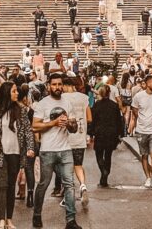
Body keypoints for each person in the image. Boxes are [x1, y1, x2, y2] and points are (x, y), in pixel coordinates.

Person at [32, 72, 82, 229]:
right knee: (43, 184)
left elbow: (74, 128)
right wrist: (53, 123)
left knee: (69, 184)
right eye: (54, 84)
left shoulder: (67, 103)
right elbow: (35, 126)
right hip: (47, 151)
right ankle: (37, 215)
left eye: (60, 84)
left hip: (65, 149)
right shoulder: (42, 104)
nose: (57, 87)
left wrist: (69, 124)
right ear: (49, 86)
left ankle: (71, 220)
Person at [0, 80, 36, 229]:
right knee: (2, 185)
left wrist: (30, 148)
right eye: (14, 91)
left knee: (11, 186)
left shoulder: (21, 109)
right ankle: (1, 220)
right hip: (0, 152)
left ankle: (10, 219)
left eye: (17, 91)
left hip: (15, 153)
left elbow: (28, 130)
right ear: (7, 92)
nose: (17, 93)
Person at [129, 72, 152, 188]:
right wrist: (142, 119)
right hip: (141, 130)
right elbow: (134, 109)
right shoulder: (138, 96)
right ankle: (148, 178)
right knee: (144, 155)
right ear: (147, 83)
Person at [64, 76, 92, 210]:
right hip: (80, 137)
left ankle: (67, 197)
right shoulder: (83, 98)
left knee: (67, 169)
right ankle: (83, 185)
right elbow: (89, 117)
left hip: (66, 139)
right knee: (78, 165)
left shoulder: (63, 98)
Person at [89, 84, 125, 187]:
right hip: (111, 133)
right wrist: (120, 133)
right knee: (108, 155)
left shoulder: (97, 105)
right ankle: (105, 175)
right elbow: (119, 121)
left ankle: (103, 171)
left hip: (100, 133)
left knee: (99, 154)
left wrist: (91, 133)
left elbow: (93, 120)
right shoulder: (114, 105)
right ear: (109, 93)